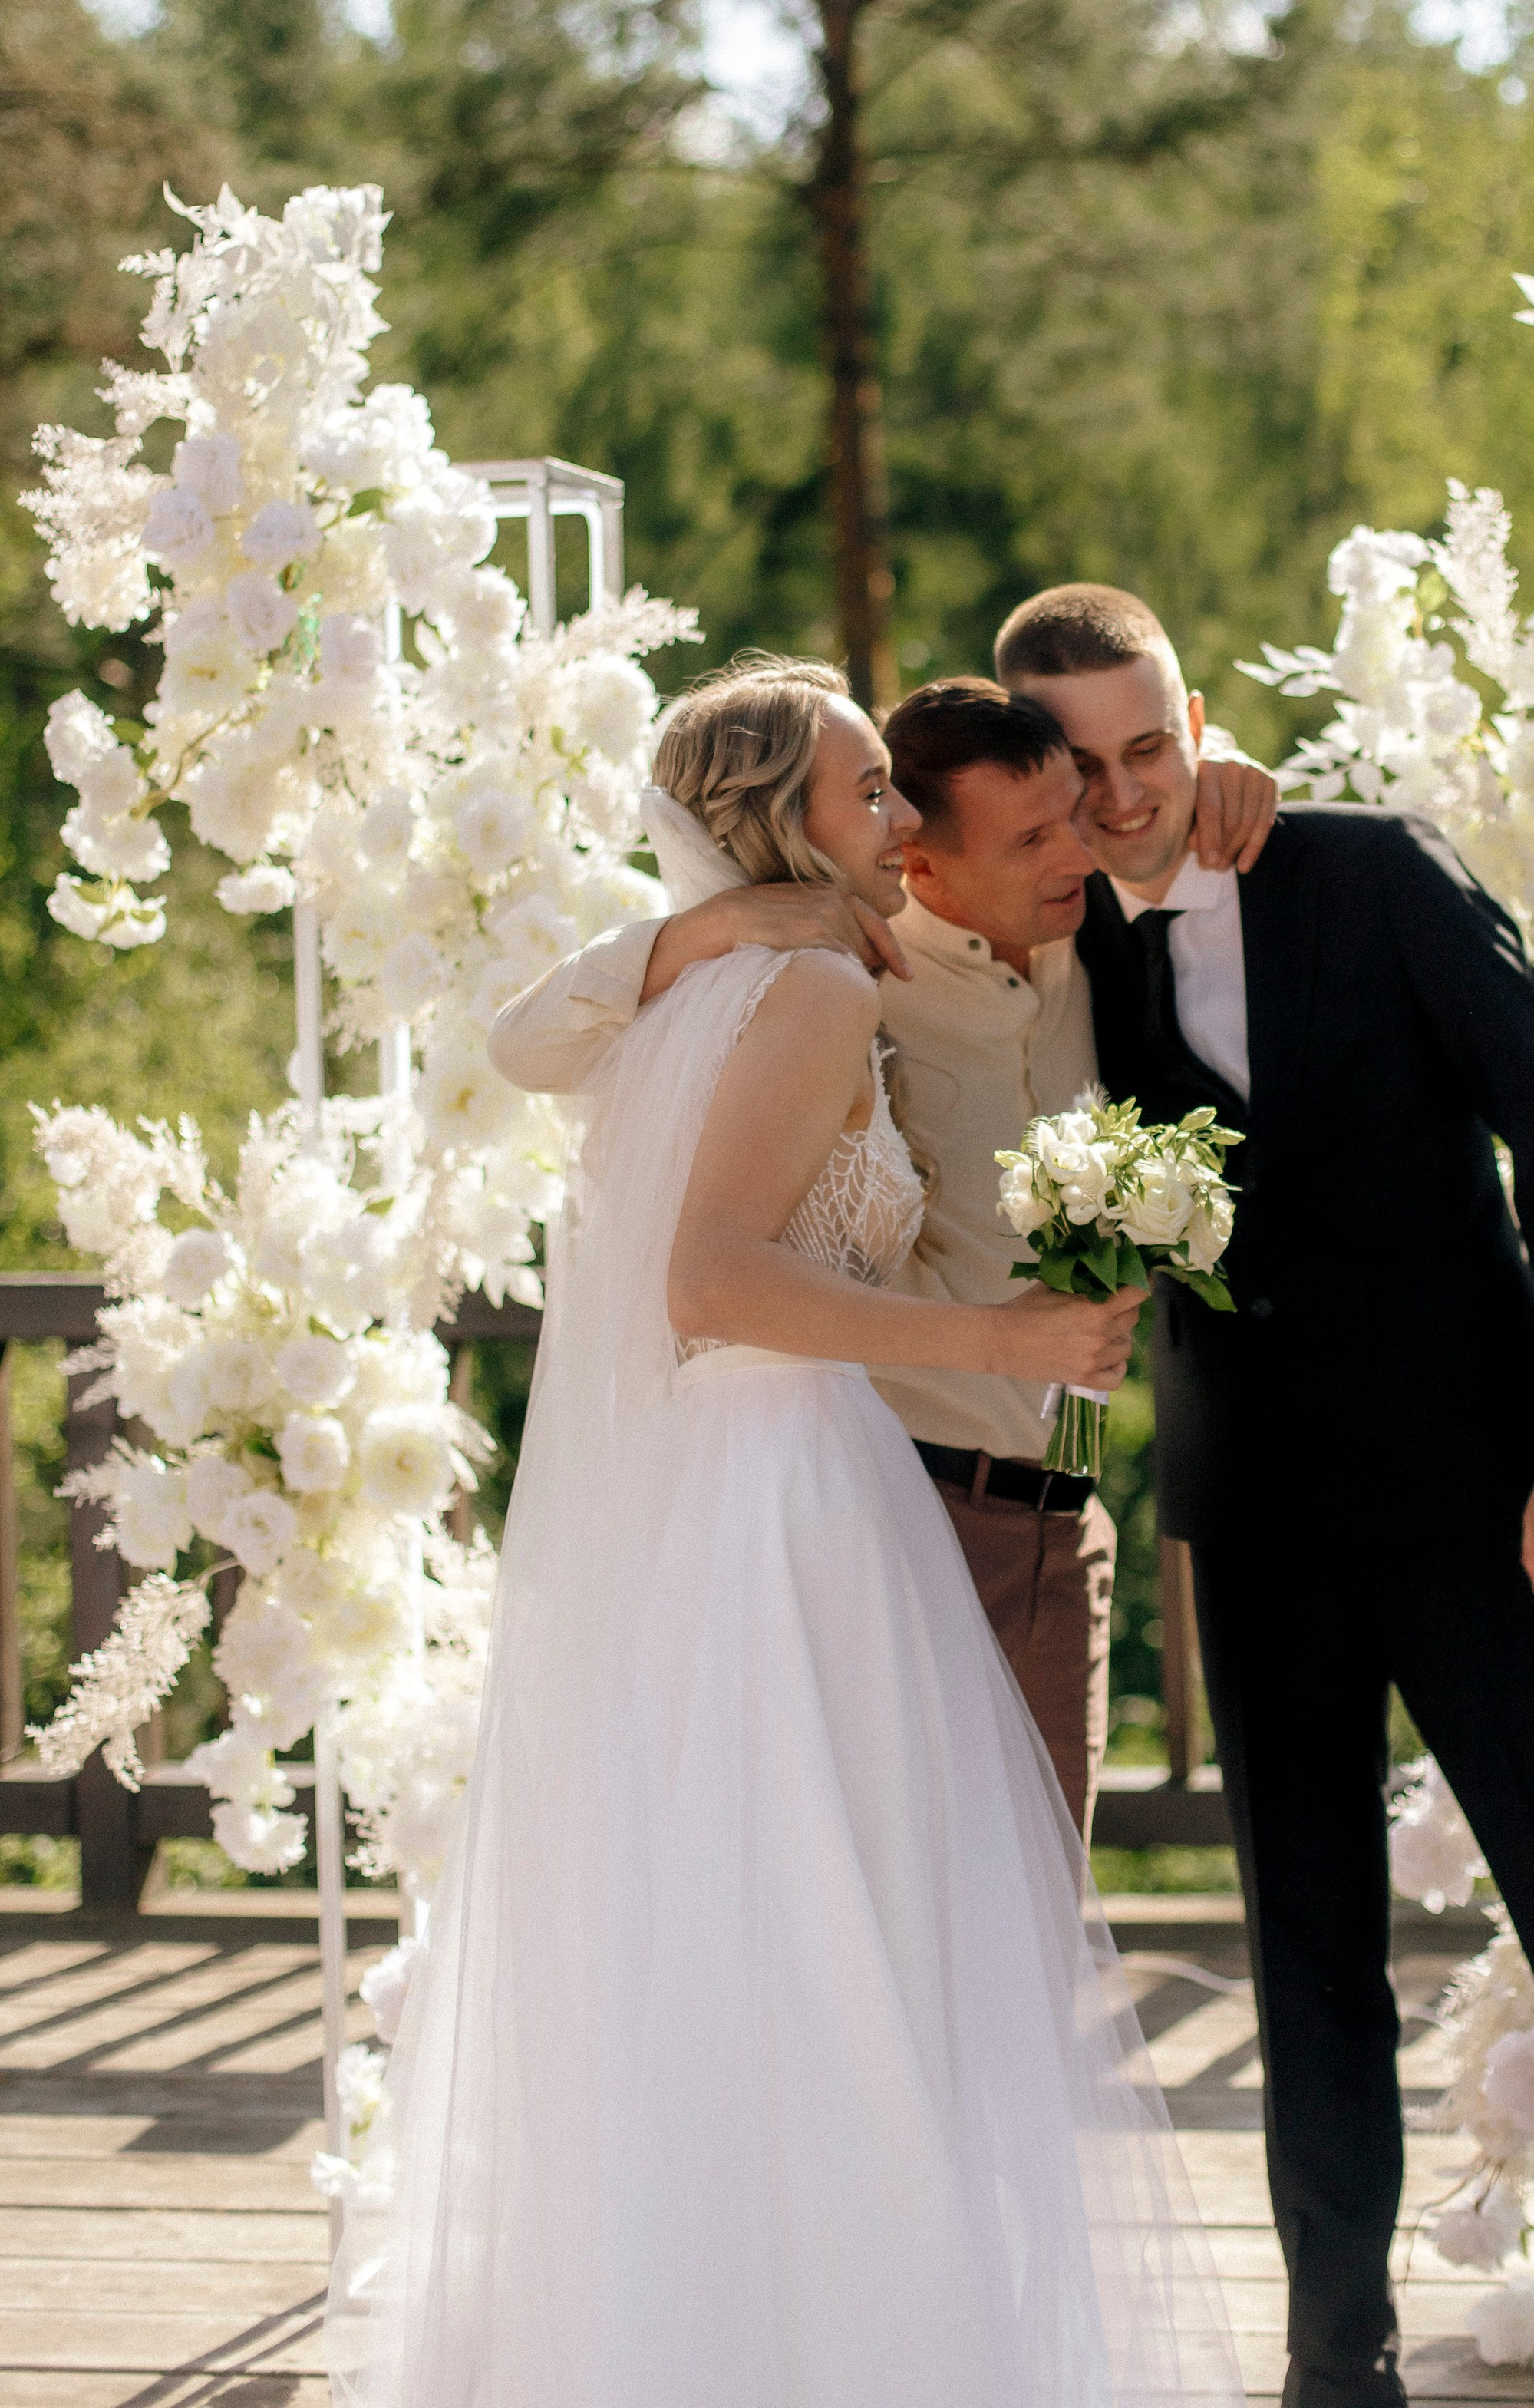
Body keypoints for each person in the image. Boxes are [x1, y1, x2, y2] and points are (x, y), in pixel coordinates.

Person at [329, 654, 1244, 2408]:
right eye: (866, 796)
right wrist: (997, 1339)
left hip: (790, 1501)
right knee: (848, 1961)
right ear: (785, 836)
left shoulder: (799, 978)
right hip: (807, 1505)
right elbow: (706, 1276)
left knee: (811, 1956)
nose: (899, 827)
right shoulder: (803, 987)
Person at [993, 583, 1534, 2408]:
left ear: (1192, 721)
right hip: (1255, 1519)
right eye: (1086, 766)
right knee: (1306, 1953)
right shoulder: (1061, 958)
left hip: (1481, 1497)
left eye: (1151, 744)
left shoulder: (1370, 871)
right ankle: (1331, 2360)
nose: (1125, 794)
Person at [488, 676, 1277, 1835]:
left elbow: (1150, 809)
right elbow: (529, 1046)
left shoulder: (1095, 940)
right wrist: (712, 923)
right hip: (907, 1510)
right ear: (926, 869)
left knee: (1026, 1930)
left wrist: (1231, 770)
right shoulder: (844, 973)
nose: (1080, 848)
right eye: (1033, 836)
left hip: (1068, 1530)